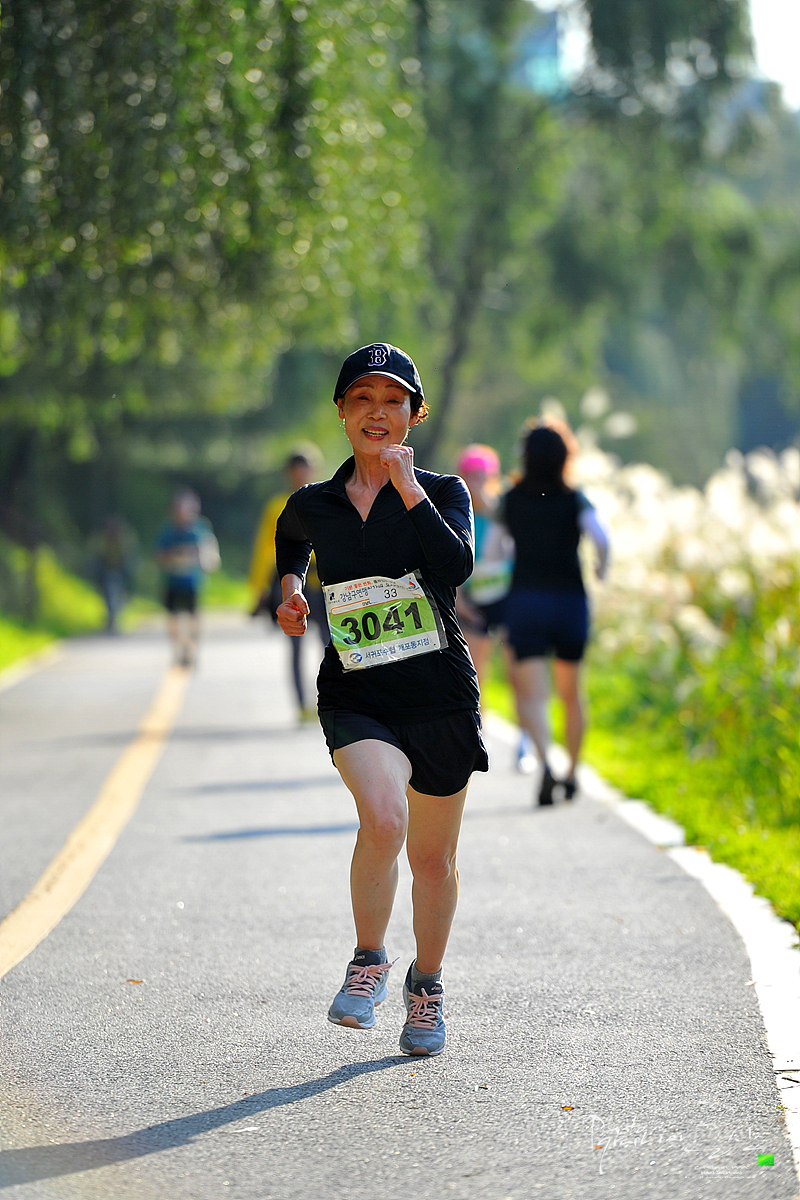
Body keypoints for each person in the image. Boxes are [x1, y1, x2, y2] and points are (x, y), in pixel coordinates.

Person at [275, 343, 488, 1057]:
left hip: (439, 697)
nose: (377, 413)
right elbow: (291, 538)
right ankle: (368, 961)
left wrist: (407, 489)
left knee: (433, 861)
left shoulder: (444, 493)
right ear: (341, 411)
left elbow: (456, 566)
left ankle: (426, 986)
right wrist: (292, 590)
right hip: (357, 693)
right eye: (362, 398)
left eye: (392, 400)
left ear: (413, 415)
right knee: (384, 817)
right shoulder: (316, 503)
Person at [501, 421, 609, 806]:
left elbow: (495, 550)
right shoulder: (574, 498)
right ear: (566, 456)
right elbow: (602, 538)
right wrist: (601, 569)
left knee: (532, 694)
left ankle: (546, 762)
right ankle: (572, 772)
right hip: (569, 603)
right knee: (571, 693)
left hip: (526, 602)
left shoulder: (511, 499)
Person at [248, 451, 327, 720]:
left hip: (323, 583)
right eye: (295, 469)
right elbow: (265, 547)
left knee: (331, 645)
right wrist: (259, 587)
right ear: (288, 473)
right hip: (292, 583)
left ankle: (328, 701)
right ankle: (301, 704)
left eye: (305, 468)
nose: (300, 474)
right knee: (295, 644)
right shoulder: (277, 506)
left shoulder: (326, 500)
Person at [156, 489, 220, 667]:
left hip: (192, 581)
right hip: (172, 581)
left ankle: (191, 650)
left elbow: (209, 554)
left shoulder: (199, 529)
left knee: (193, 617)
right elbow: (160, 555)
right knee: (173, 618)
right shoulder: (169, 530)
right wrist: (175, 555)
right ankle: (179, 649)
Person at [89, 515, 137, 634]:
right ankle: (110, 622)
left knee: (119, 597)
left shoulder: (124, 540)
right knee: (107, 598)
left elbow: (129, 557)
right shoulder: (102, 540)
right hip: (106, 572)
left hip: (120, 573)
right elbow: (97, 556)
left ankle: (114, 622)